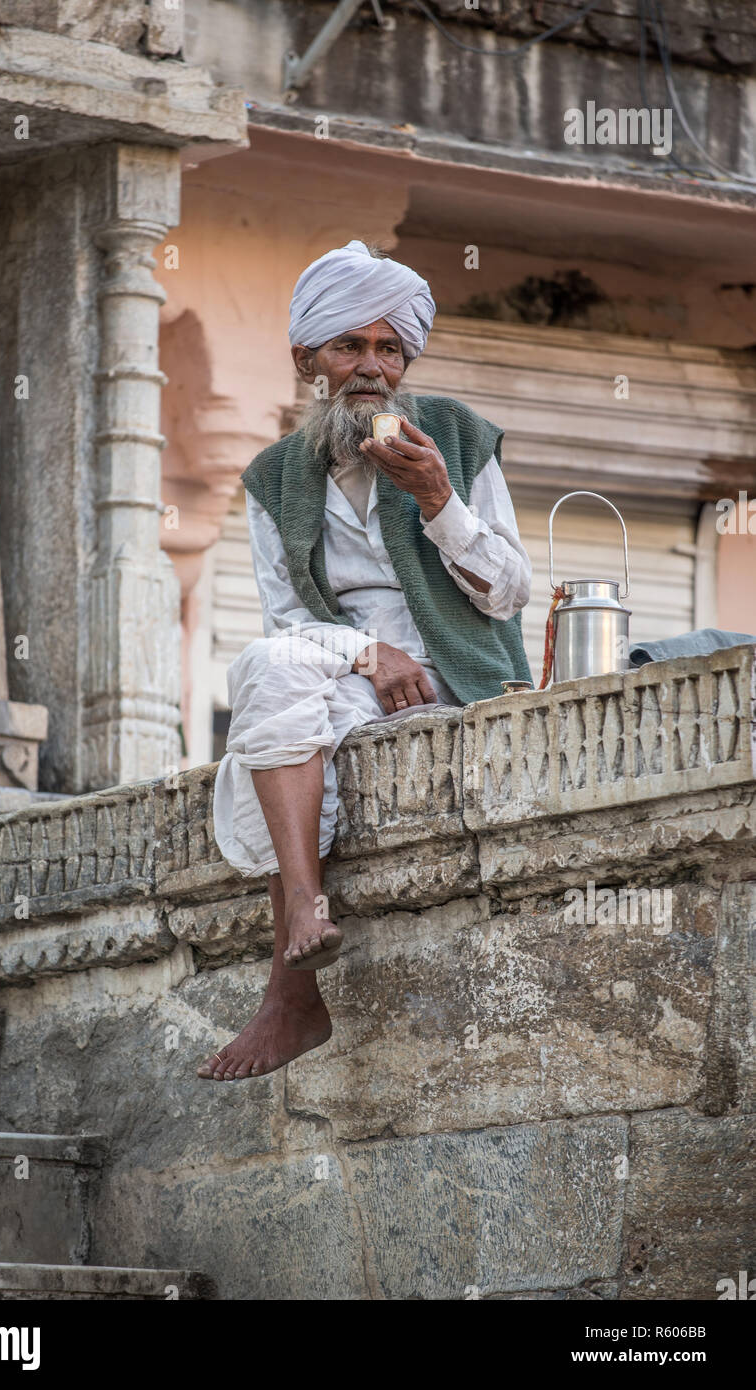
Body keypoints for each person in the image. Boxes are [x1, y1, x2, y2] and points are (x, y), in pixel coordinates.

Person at [197, 240, 532, 1082]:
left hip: (452, 671)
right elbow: (285, 619)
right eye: (348, 346)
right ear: (306, 359)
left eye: (388, 348)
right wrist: (364, 652)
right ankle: (308, 911)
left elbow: (508, 594)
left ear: (406, 360)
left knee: (267, 722)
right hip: (341, 674)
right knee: (267, 670)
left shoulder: (452, 435)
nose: (369, 368)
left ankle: (289, 998)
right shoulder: (275, 475)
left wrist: (435, 499)